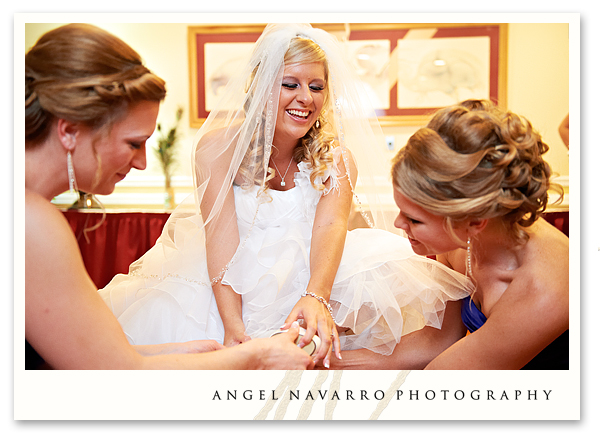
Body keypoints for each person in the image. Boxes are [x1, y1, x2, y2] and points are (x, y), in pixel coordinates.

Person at [99, 23, 473, 369]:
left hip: (310, 276)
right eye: (290, 84)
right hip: (223, 286)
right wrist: (232, 327)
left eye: (316, 86)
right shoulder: (218, 148)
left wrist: (317, 296)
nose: (305, 98)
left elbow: (331, 225)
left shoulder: (337, 159)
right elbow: (221, 237)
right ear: (262, 86)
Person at [25, 23, 312, 370]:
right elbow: (118, 374)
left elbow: (80, 353)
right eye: (133, 143)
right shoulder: (31, 222)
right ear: (69, 130)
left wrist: (173, 352)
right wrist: (257, 354)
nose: (143, 162)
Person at [328, 99, 569, 370]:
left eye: (414, 219)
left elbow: (442, 379)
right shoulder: (461, 241)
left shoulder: (545, 285)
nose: (398, 223)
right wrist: (327, 363)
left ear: (475, 221)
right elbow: (437, 342)